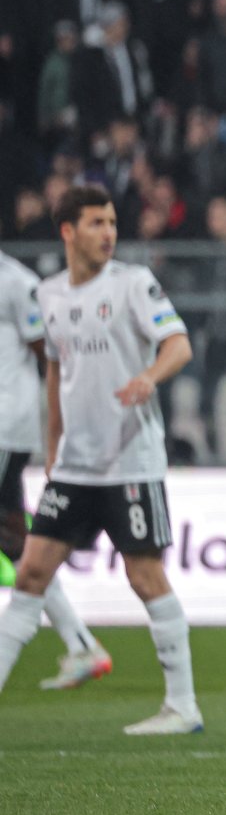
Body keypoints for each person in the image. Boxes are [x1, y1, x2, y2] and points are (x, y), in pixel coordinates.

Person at [0, 185, 200, 734]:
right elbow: (57, 373)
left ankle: (182, 706)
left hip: (130, 461)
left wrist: (148, 378)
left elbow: (178, 344)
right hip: (75, 466)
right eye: (95, 223)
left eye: (111, 222)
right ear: (67, 231)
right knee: (33, 570)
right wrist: (55, 447)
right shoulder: (48, 295)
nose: (108, 233)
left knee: (144, 575)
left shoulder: (134, 285)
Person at [1, 245, 110, 690]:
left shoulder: (13, 280)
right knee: (12, 538)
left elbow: (51, 349)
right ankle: (80, 641)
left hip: (5, 421)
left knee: (12, 535)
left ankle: (80, 641)